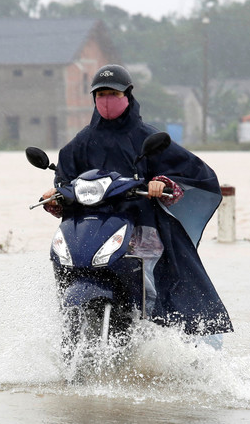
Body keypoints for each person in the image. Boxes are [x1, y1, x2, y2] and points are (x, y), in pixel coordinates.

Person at [40, 64, 233, 338]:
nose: (107, 100)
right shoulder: (80, 143)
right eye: (101, 94)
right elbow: (65, 180)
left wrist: (163, 183)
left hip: (141, 226)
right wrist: (55, 195)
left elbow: (195, 174)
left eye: (113, 94)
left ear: (128, 95)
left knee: (148, 287)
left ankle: (151, 334)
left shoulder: (148, 138)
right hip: (90, 229)